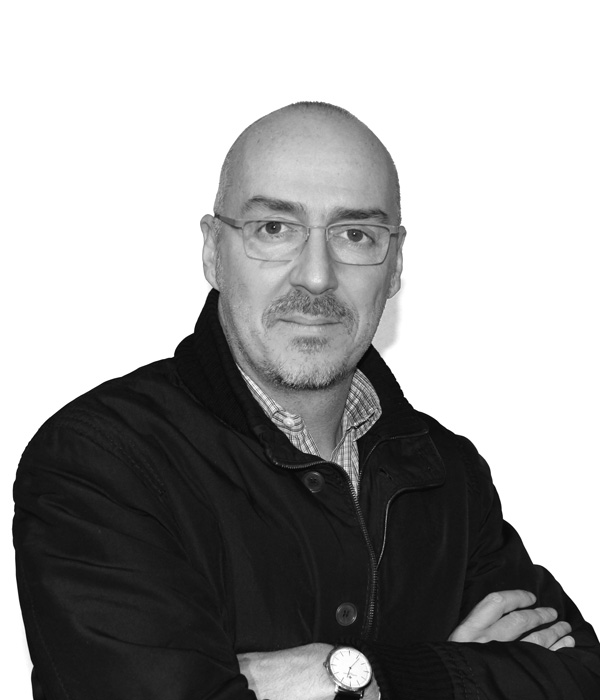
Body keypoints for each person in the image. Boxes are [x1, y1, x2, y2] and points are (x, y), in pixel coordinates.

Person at [13, 101, 600, 700]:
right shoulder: (101, 463)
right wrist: (457, 672)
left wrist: (355, 676)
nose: (316, 276)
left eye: (355, 234)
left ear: (395, 264)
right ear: (214, 251)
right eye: (274, 228)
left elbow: (581, 676)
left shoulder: (447, 475)